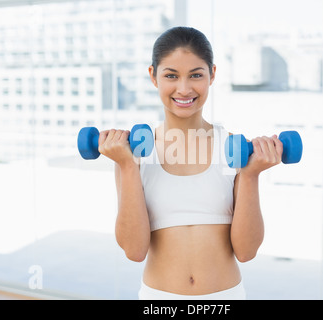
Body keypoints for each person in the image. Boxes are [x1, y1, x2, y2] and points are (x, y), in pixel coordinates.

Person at [97, 26, 283, 299]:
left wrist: (252, 175)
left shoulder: (234, 148)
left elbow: (246, 251)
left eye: (196, 75)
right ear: (153, 76)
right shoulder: (132, 154)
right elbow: (134, 251)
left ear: (212, 75)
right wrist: (126, 165)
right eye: (171, 75)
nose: (183, 89)